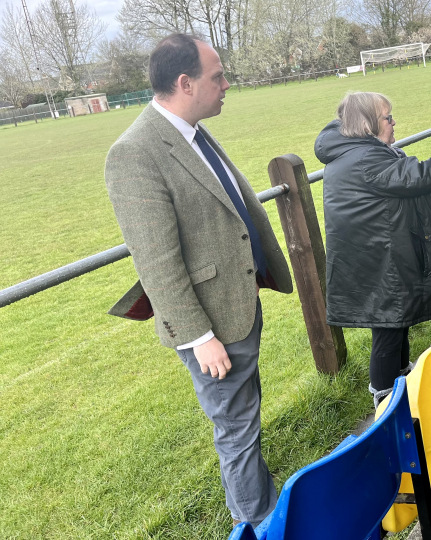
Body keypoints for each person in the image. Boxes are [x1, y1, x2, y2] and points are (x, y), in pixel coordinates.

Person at [104, 33, 293, 528]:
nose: (227, 84)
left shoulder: (191, 128)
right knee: (236, 428)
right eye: (218, 76)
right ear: (185, 83)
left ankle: (261, 507)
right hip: (210, 327)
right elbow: (156, 261)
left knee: (244, 420)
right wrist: (200, 337)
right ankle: (261, 522)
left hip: (236, 302)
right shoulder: (135, 152)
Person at [315, 92, 431, 407]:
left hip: (374, 256)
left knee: (394, 324)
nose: (394, 121)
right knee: (388, 330)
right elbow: (420, 176)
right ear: (369, 125)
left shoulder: (358, 152)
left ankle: (401, 383)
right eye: (388, 117)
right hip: (375, 260)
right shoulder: (365, 159)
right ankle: (387, 406)